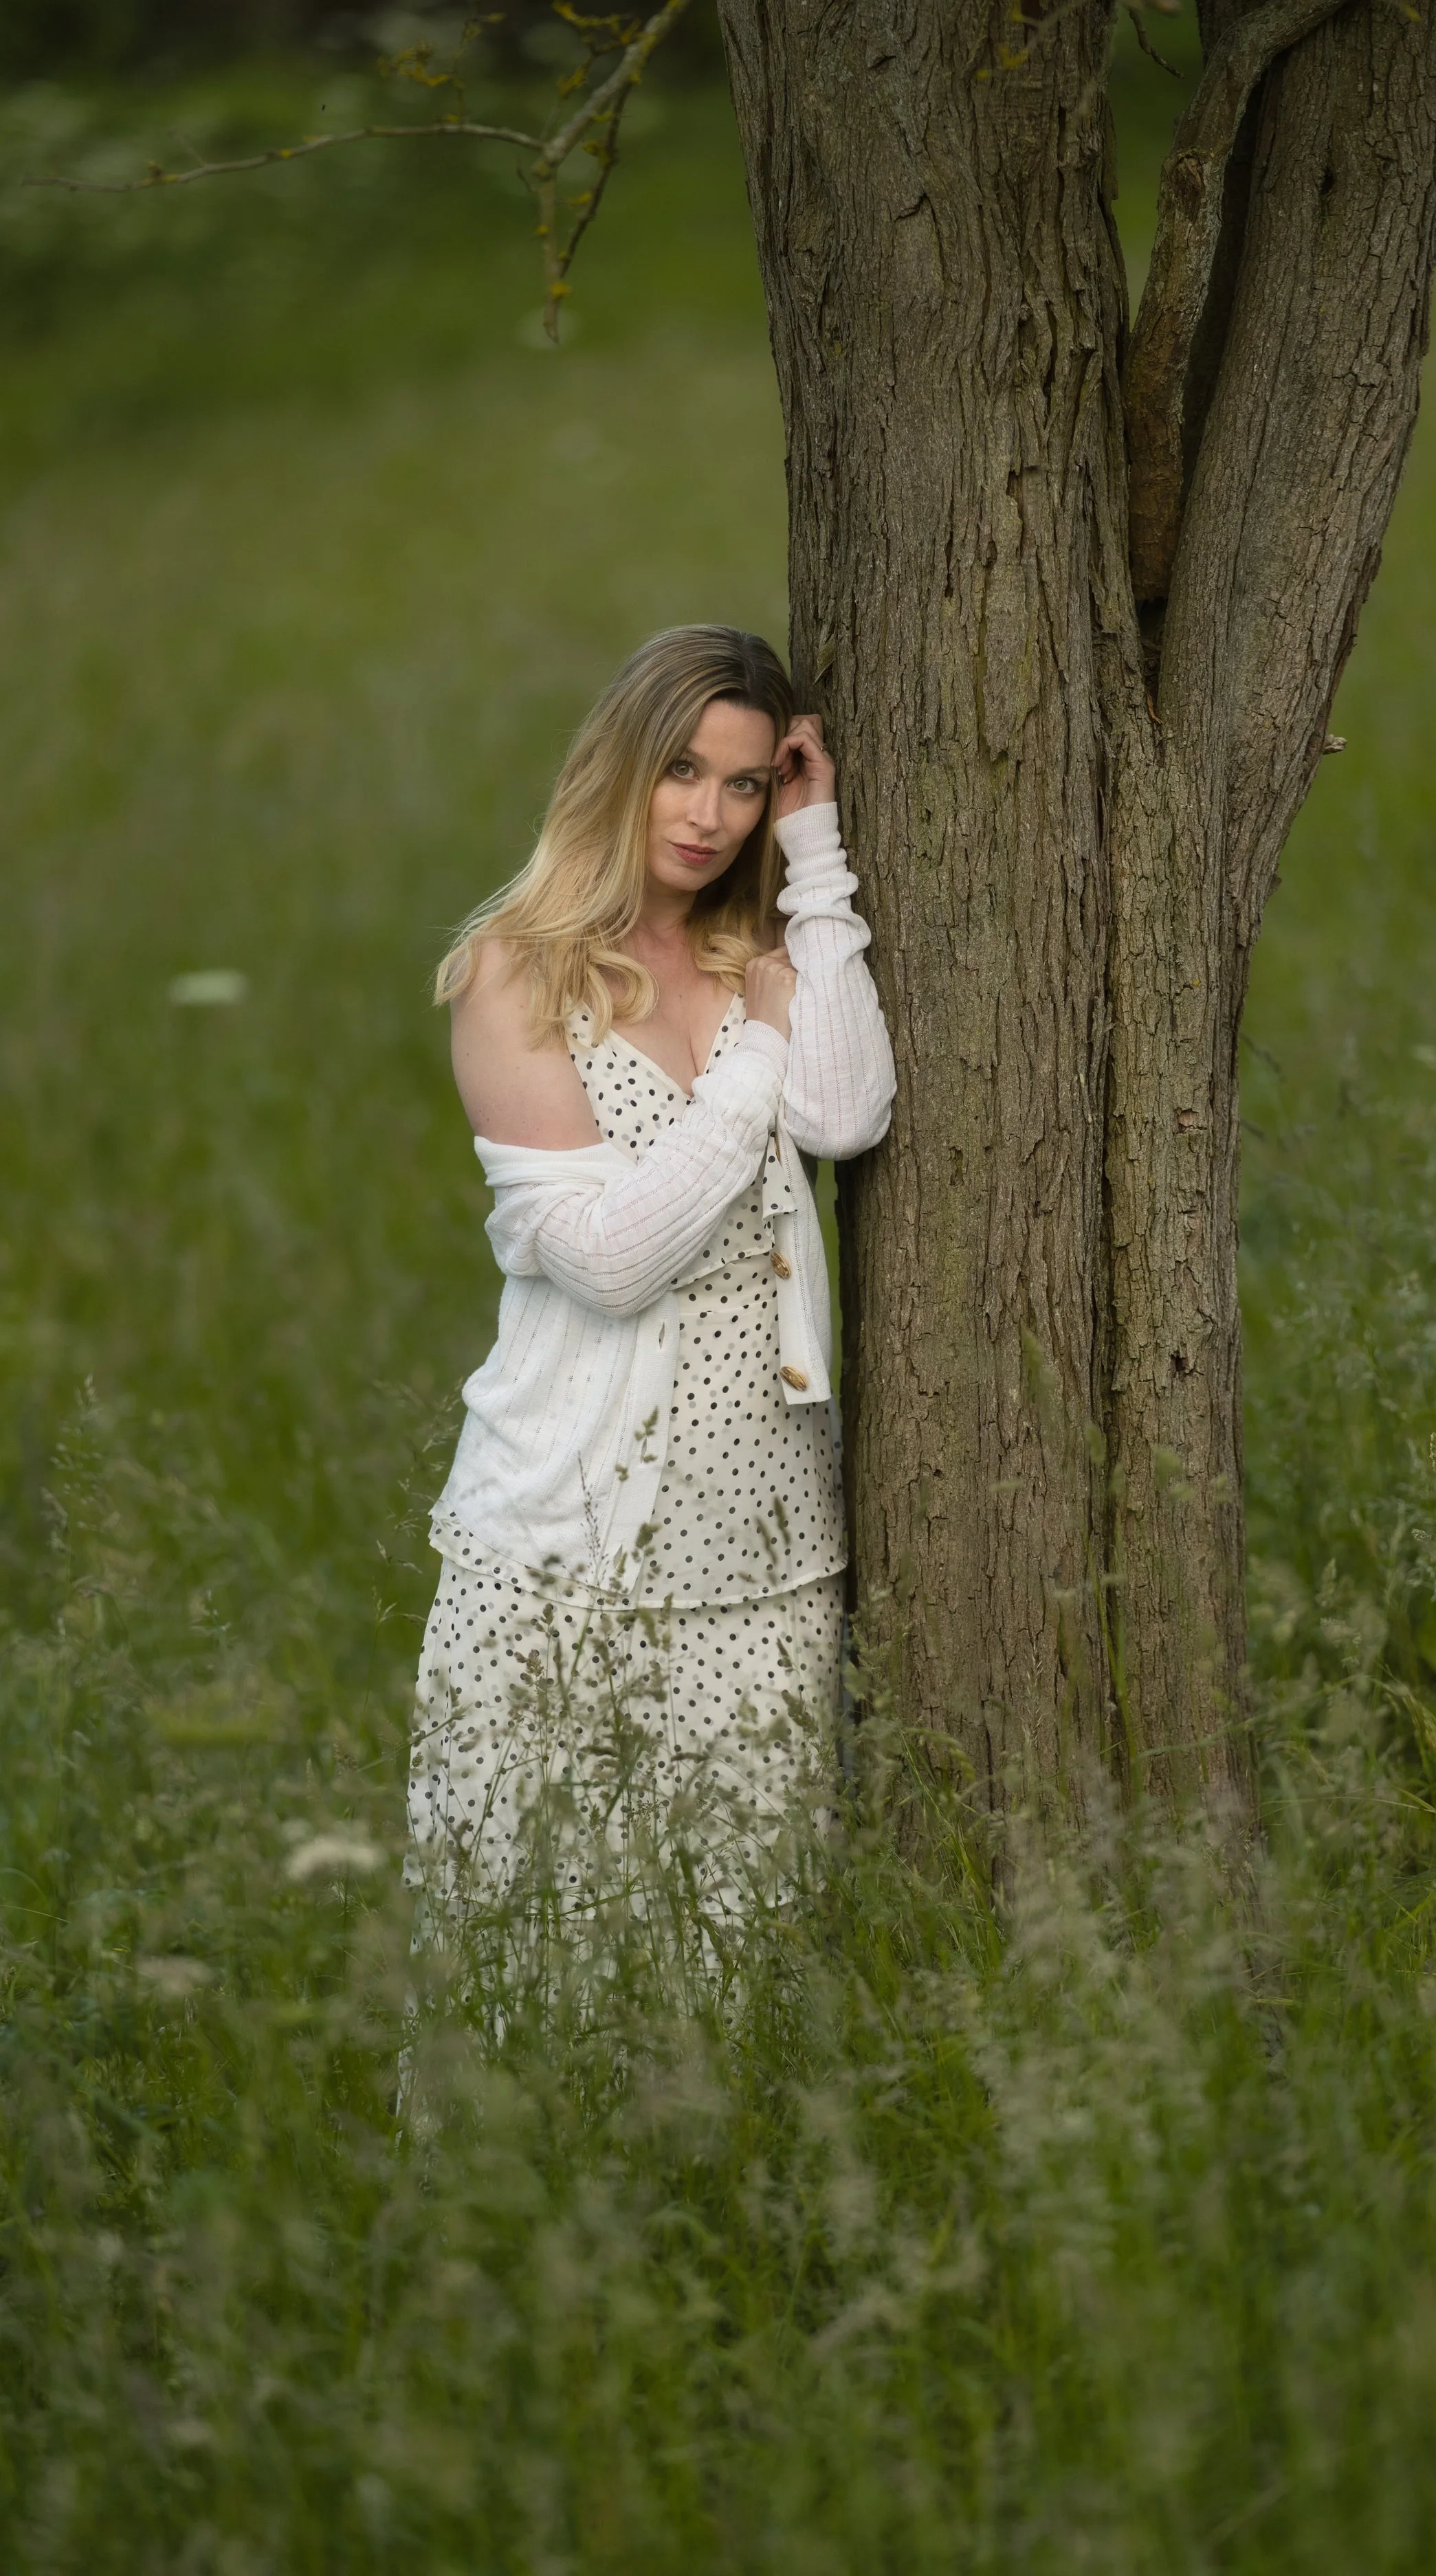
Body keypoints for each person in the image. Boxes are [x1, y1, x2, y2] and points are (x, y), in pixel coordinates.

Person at [406, 626, 894, 1934]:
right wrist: (753, 1064)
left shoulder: (755, 954)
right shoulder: (517, 972)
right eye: (682, 770)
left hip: (768, 1543)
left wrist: (814, 861)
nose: (708, 816)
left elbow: (846, 1115)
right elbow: (611, 1261)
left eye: (743, 785)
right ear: (620, 765)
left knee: (746, 1941)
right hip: (566, 1549)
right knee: (533, 1944)